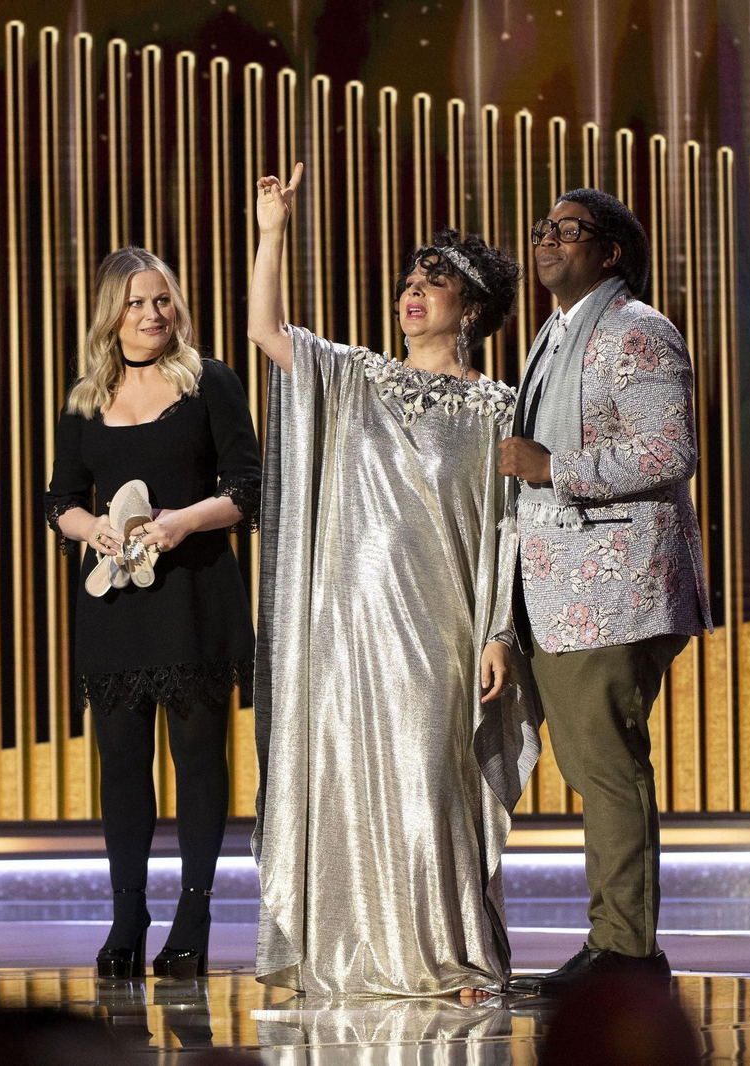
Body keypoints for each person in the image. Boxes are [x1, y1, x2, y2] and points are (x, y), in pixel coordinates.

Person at [247, 163, 542, 998]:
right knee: (349, 776)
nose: (414, 292)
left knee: (427, 778)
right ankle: (349, 949)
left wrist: (497, 632)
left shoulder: (499, 407)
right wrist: (273, 230)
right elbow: (269, 330)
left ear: (472, 307)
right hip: (350, 627)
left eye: (435, 282)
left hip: (440, 625)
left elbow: (509, 527)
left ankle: (445, 954)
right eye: (411, 279)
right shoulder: (356, 377)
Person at [495, 190, 712, 997]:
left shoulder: (637, 331)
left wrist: (552, 467)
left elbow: (671, 450)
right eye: (542, 227)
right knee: (598, 765)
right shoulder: (558, 332)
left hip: (614, 586)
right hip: (565, 589)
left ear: (611, 251)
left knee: (607, 767)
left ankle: (626, 953)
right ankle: (619, 945)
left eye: (567, 229)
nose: (547, 239)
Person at [44, 247, 261, 980]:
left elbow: (249, 488)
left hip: (195, 595)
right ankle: (128, 913)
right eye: (137, 303)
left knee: (199, 758)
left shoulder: (210, 382)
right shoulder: (83, 398)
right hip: (115, 604)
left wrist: (182, 522)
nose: (153, 315)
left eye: (163, 300)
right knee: (122, 764)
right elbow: (59, 501)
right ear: (112, 313)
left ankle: (194, 914)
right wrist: (92, 528)